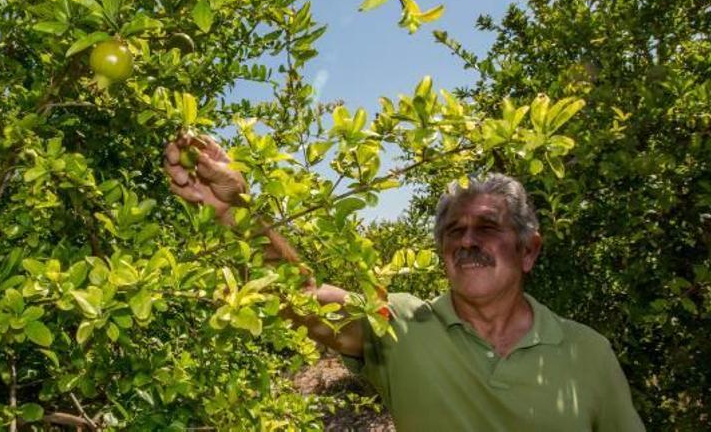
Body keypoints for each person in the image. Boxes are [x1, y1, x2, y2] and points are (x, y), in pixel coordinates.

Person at [164, 134, 645, 431]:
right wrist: (234, 210)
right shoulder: (400, 322)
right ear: (441, 253)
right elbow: (301, 300)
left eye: (488, 228)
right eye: (454, 231)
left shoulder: (587, 353)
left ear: (529, 250)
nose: (467, 241)